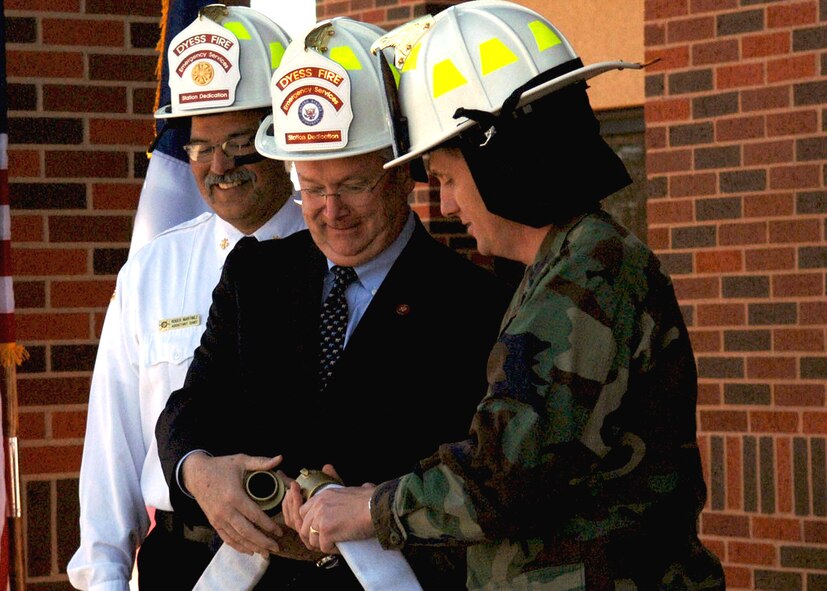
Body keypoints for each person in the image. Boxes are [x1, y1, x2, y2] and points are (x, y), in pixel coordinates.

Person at [293, 2, 728, 589]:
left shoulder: (586, 278)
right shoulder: (565, 267)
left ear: (497, 161)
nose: (446, 205)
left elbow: (507, 476)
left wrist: (370, 509)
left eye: (448, 178)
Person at [154, 15, 511, 590]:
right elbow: (190, 406)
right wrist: (196, 470)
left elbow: (482, 477)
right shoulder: (255, 274)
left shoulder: (474, 303)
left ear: (402, 175)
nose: (330, 210)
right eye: (313, 188)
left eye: (352, 185)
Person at [66, 6, 305, 590]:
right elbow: (113, 446)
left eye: (239, 142)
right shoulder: (152, 270)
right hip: (183, 561)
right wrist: (104, 579)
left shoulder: (338, 260)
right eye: (200, 146)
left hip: (306, 565)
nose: (218, 166)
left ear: (280, 136)